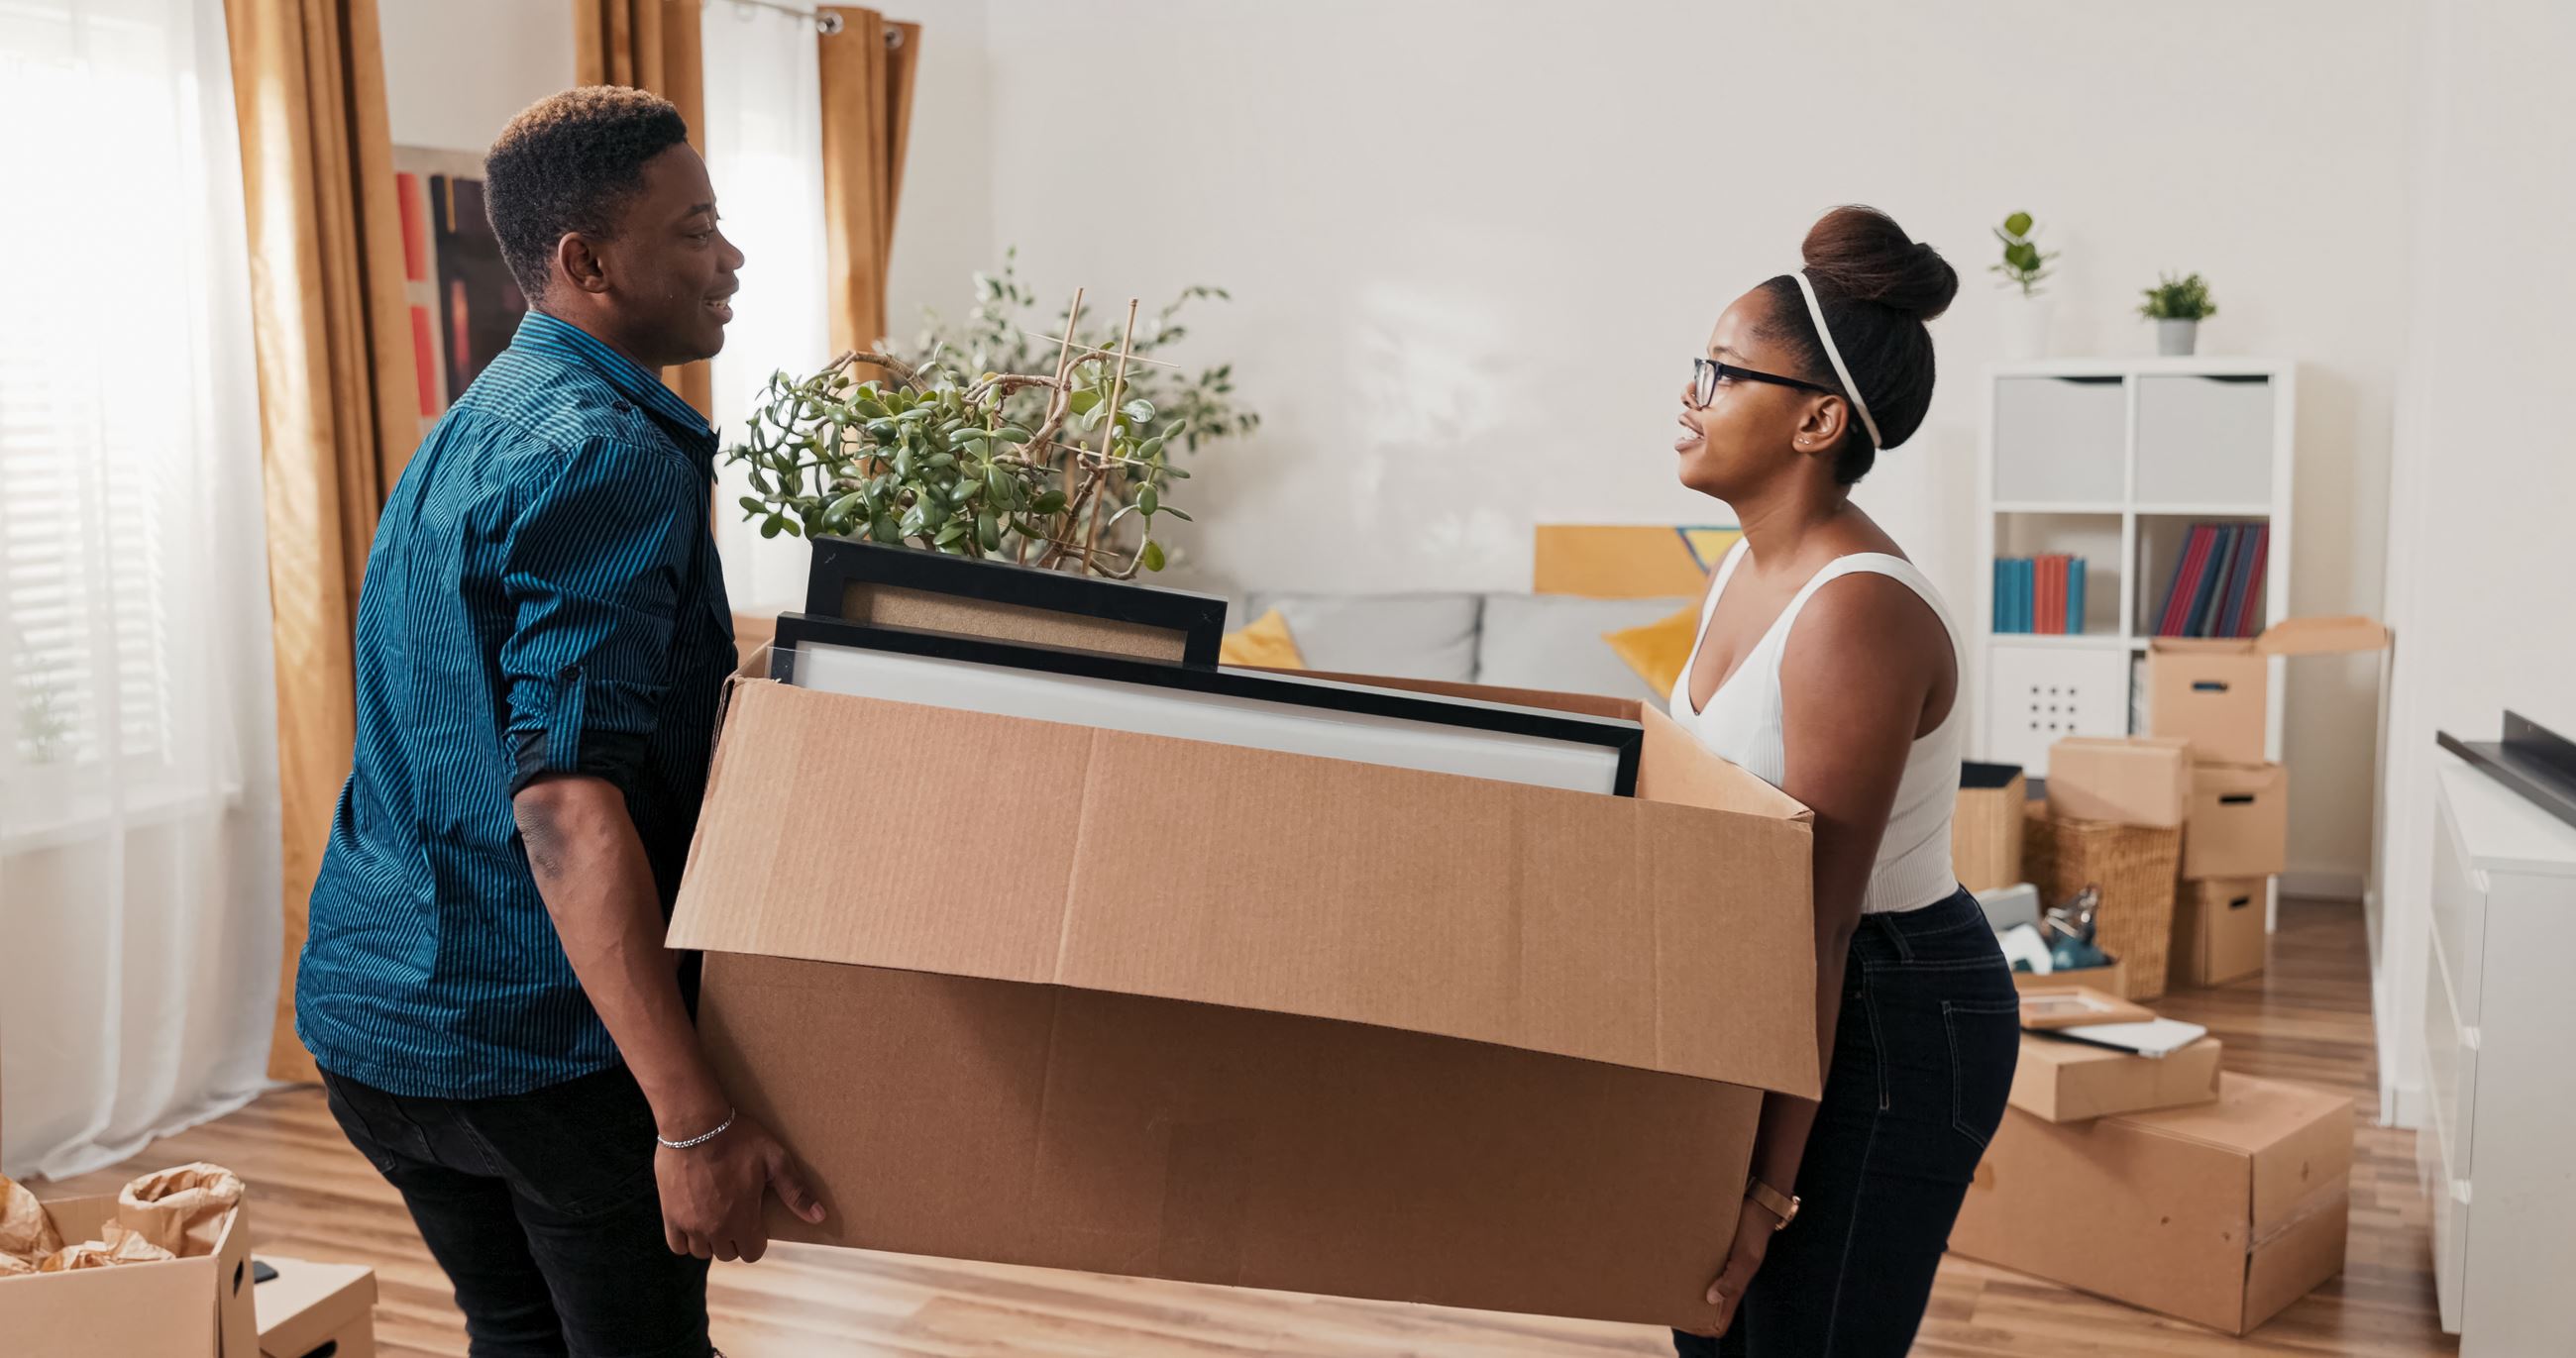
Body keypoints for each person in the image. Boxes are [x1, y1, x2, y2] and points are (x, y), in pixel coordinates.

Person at [295, 86, 820, 1358]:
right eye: (695, 227)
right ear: (587, 261)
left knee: (517, 1339)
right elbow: (563, 808)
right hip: (535, 1045)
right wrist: (690, 1120)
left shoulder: (473, 426)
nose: (730, 257)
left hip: (374, 1025)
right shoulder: (605, 450)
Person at [1664, 206, 2018, 1356]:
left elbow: (1814, 926)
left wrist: (1763, 1194)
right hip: (1773, 991)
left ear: (1816, 419)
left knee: (1789, 1336)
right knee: (1707, 1331)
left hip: (1881, 1010)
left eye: (1722, 371)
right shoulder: (1743, 566)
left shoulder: (1855, 612)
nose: (1691, 393)